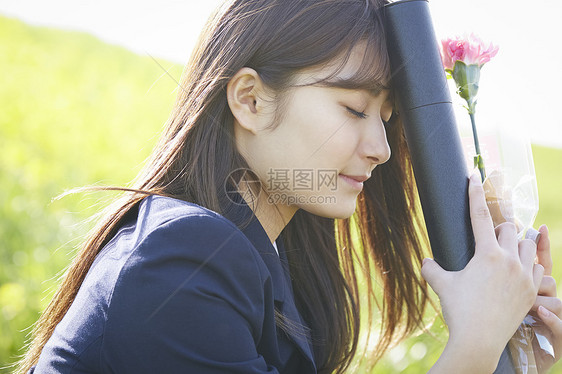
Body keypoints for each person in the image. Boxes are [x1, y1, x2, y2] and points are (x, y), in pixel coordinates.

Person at [17, 0, 562, 373]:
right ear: (250, 100)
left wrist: (511, 344)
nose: (382, 147)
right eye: (354, 108)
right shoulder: (182, 260)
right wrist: (475, 342)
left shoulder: (270, 268)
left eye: (387, 117)